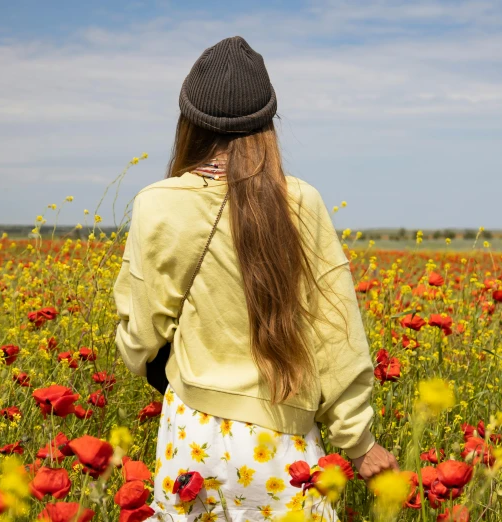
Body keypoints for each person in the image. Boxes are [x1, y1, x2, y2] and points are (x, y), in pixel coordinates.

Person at [114, 35, 398, 522]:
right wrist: (358, 441)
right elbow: (336, 333)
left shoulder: (156, 203)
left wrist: (156, 367)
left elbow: (141, 335)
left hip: (191, 439)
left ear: (188, 122)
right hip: (282, 450)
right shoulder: (300, 203)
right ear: (268, 125)